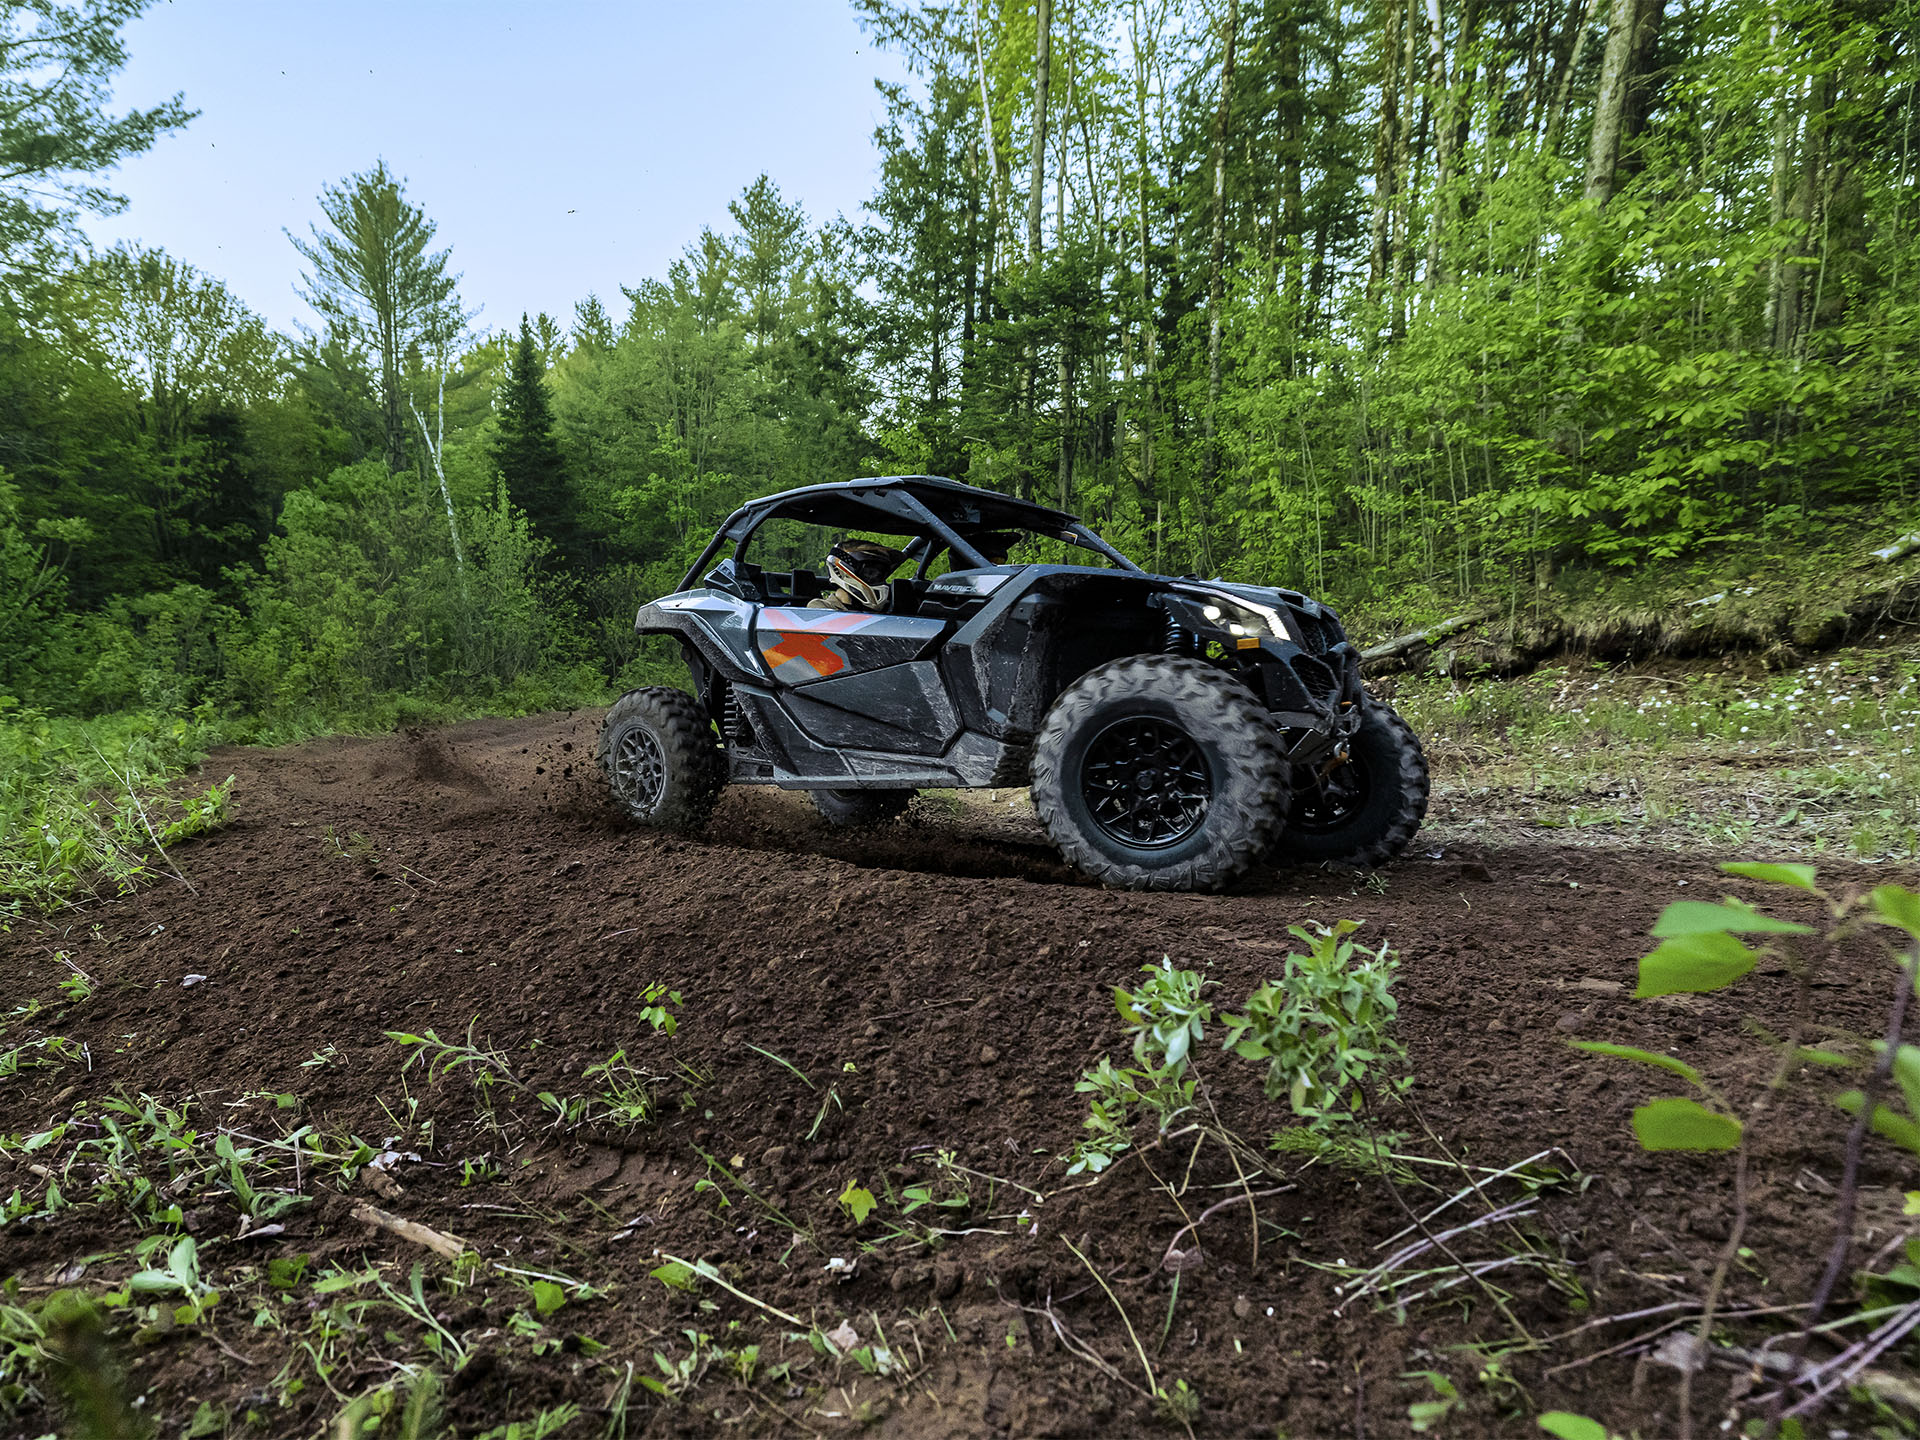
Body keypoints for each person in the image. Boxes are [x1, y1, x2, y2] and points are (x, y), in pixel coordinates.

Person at [809, 539, 906, 611]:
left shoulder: (889, 610)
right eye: (871, 572)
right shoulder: (819, 608)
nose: (878, 577)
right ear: (844, 570)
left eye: (882, 574)